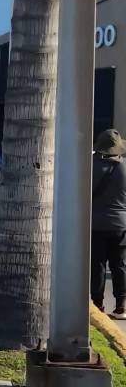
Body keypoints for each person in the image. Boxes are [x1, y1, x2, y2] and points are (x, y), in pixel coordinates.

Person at [91, 129, 126, 319]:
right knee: (119, 265)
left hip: (96, 223)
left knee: (97, 266)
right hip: (120, 224)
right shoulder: (124, 167)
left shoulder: (91, 166)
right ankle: (121, 306)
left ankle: (98, 306)